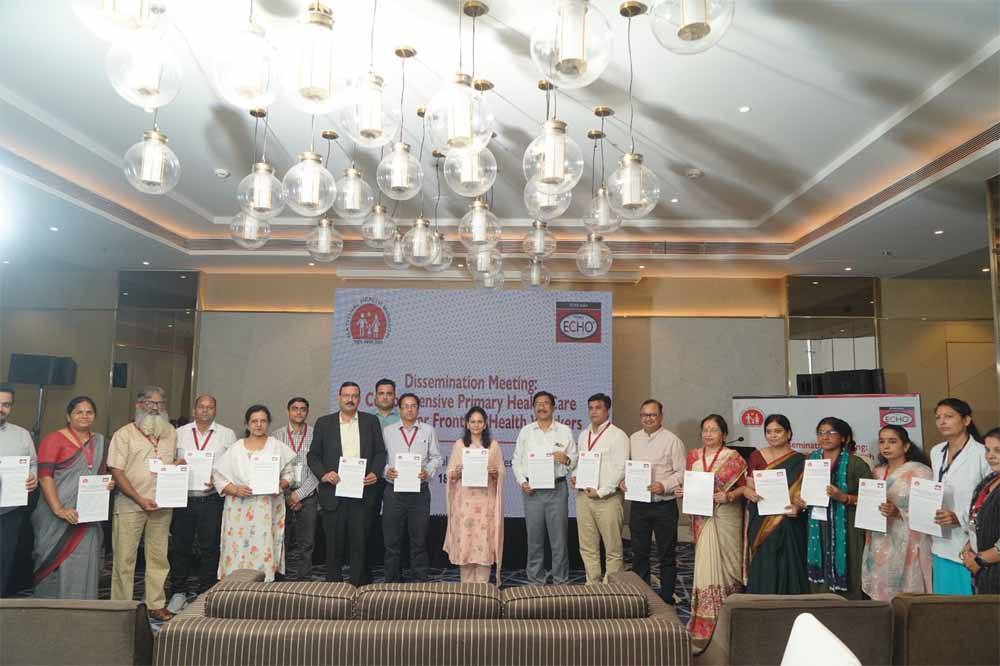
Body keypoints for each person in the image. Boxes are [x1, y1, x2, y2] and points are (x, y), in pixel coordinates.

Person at [32, 397, 114, 599]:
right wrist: (59, 509)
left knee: (86, 560)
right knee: (55, 562)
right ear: (68, 416)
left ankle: (82, 608)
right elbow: (44, 477)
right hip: (55, 516)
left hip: (87, 515)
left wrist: (107, 484)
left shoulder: (100, 442)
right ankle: (50, 609)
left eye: (89, 412)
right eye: (79, 412)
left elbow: (102, 474)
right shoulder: (53, 439)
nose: (84, 416)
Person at [107, 385, 177, 621]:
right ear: (139, 405)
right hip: (130, 506)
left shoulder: (170, 432)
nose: (155, 408)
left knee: (159, 558)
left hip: (162, 506)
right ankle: (122, 609)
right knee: (124, 559)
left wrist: (179, 467)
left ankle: (155, 604)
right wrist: (139, 498)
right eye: (150, 402)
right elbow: (116, 471)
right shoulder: (124, 434)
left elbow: (171, 464)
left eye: (160, 403)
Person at [676, 414, 747, 640]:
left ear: (724, 435)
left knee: (728, 566)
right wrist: (683, 492)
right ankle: (705, 622)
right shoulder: (693, 456)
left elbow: (744, 489)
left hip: (726, 516)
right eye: (705, 430)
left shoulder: (734, 458)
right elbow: (690, 484)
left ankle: (730, 618)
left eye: (713, 430)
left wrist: (730, 495)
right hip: (702, 518)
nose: (708, 434)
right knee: (705, 565)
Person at [307, 382, 386, 585]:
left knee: (360, 546)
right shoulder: (324, 423)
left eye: (354, 396)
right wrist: (324, 474)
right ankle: (334, 590)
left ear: (359, 398)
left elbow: (380, 452)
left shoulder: (370, 422)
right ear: (339, 398)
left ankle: (358, 588)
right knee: (334, 547)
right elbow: (313, 456)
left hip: (362, 494)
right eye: (346, 396)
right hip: (333, 494)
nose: (350, 399)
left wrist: (375, 473)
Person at [214, 405, 296, 582]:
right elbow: (218, 478)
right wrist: (235, 489)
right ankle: (234, 585)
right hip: (239, 510)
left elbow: (290, 475)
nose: (259, 425)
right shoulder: (236, 448)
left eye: (263, 421)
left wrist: (280, 485)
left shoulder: (276, 446)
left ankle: (264, 586)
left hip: (267, 509)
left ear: (268, 423)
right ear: (247, 424)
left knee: (263, 546)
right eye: (254, 421)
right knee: (237, 548)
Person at [795, 417, 872, 598]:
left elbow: (871, 500)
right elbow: (800, 490)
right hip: (818, 526)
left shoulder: (856, 463)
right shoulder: (810, 462)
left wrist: (844, 498)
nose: (825, 437)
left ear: (844, 437)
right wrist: (800, 500)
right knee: (820, 571)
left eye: (831, 432)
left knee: (850, 566)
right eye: (821, 433)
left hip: (848, 527)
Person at [620, 399, 686, 604]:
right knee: (639, 553)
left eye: (652, 415)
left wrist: (664, 485)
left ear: (661, 416)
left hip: (664, 504)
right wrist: (623, 481)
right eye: (644, 415)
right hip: (639, 505)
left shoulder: (672, 440)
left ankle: (666, 597)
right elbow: (627, 467)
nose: (648, 419)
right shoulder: (633, 439)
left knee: (666, 553)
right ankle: (642, 596)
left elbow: (682, 472)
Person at [169, 394, 236, 596]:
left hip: (212, 499)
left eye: (210, 407)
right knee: (181, 546)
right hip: (184, 499)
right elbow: (168, 462)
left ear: (215, 410)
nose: (205, 410)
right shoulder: (178, 434)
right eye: (201, 406)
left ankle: (206, 591)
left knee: (210, 547)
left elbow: (233, 467)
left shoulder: (227, 434)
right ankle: (178, 591)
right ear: (194, 410)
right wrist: (175, 465)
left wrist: (217, 480)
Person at [860, 425, 933, 600]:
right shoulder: (876, 472)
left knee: (907, 594)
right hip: (879, 538)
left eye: (892, 441)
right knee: (880, 592)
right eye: (882, 442)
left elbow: (928, 510)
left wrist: (898, 512)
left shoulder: (920, 472)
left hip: (907, 540)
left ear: (906, 446)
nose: (886, 446)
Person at [511, 390, 576, 585]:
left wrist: (566, 459)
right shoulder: (526, 431)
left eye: (546, 403)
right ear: (533, 408)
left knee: (559, 540)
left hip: (557, 490)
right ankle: (535, 580)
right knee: (535, 540)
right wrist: (522, 481)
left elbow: (574, 459)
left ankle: (560, 581)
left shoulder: (564, 430)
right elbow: (516, 461)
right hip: (533, 492)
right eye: (538, 404)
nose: (541, 407)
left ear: (553, 407)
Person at [928, 398, 990, 594]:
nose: (942, 422)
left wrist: (960, 518)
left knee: (967, 603)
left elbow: (989, 500)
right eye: (938, 417)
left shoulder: (982, 453)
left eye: (949, 416)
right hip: (940, 540)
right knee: (944, 602)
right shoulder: (936, 451)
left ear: (966, 420)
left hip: (970, 543)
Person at [742, 414, 809, 594]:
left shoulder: (800, 461)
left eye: (778, 431)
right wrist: (749, 493)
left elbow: (804, 493)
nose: (772, 435)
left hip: (789, 519)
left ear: (789, 433)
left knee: (789, 562)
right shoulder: (756, 456)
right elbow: (749, 486)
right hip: (761, 517)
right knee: (765, 560)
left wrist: (798, 506)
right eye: (769, 431)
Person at [382, 393, 442, 582]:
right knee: (392, 540)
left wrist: (428, 471)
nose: (409, 409)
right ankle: (392, 580)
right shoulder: (388, 431)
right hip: (394, 492)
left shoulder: (428, 430)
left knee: (419, 539)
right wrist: (386, 471)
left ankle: (420, 579)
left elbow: (437, 457)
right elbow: (380, 457)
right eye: (405, 406)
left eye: (413, 405)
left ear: (418, 409)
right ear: (399, 409)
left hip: (419, 492)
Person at [570, 393, 628, 584]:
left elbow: (620, 469)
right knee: (587, 547)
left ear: (607, 410)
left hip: (607, 499)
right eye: (591, 408)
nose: (593, 411)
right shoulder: (583, 434)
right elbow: (580, 461)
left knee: (612, 548)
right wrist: (576, 476)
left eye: (598, 408)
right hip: (584, 498)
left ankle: (611, 589)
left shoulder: (618, 435)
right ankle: (592, 585)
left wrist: (601, 491)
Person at [443, 406, 505, 584]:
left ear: (485, 424)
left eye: (480, 422)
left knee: (484, 544)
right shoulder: (460, 445)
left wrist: (495, 473)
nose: (476, 425)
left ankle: (483, 590)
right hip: (464, 506)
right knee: (466, 545)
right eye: (473, 422)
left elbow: (501, 473)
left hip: (486, 506)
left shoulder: (493, 446)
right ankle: (467, 591)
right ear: (467, 424)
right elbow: (450, 474)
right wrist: (458, 472)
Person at [271, 397, 319, 581]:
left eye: (302, 409)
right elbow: (273, 467)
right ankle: (279, 580)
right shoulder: (276, 436)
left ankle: (304, 580)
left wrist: (299, 495)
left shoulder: (316, 434)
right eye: (294, 408)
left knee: (307, 543)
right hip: (281, 495)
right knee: (281, 540)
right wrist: (288, 495)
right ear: (288, 411)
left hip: (308, 495)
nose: (299, 412)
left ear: (307, 412)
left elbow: (318, 468)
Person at [0, 385, 37, 597]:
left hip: (9, 512)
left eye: (6, 404)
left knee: (4, 560)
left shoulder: (22, 435)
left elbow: (33, 464)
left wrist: (32, 479)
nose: (1, 409)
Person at [961, 427, 1000, 594]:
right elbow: (978, 519)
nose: (990, 456)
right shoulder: (990, 479)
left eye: (998, 450)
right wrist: (969, 547)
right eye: (987, 450)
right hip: (985, 574)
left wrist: (979, 560)